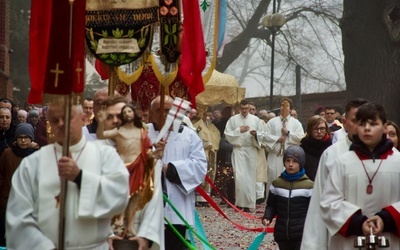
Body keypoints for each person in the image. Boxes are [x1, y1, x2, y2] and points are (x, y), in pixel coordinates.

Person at [6, 99, 130, 249]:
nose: (61, 124)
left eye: (67, 118)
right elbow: (18, 217)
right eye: (55, 120)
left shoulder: (105, 156)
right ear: (49, 124)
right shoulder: (32, 164)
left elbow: (120, 196)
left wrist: (79, 177)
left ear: (83, 119)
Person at [320, 102, 400, 249]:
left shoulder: (398, 162)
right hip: (350, 242)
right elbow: (329, 203)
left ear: (384, 127)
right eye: (362, 124)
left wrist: (386, 219)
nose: (367, 128)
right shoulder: (343, 162)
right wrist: (359, 223)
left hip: (391, 240)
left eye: (373, 124)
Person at [96, 95, 165, 250]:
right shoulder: (95, 152)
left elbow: (154, 197)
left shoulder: (145, 149)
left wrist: (147, 235)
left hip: (138, 232)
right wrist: (105, 232)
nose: (115, 121)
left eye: (118, 116)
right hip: (101, 235)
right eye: (110, 117)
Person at [301, 98, 369, 250]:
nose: (363, 126)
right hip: (342, 236)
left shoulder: (393, 158)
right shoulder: (332, 155)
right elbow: (320, 203)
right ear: (344, 122)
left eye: (368, 120)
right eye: (356, 120)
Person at [147, 95, 207, 250]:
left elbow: (199, 166)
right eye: (159, 110)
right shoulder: (142, 133)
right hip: (146, 206)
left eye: (168, 110)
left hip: (177, 205)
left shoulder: (188, 136)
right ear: (151, 113)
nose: (164, 114)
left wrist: (170, 168)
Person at [262, 146, 313, 250]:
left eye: (295, 161)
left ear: (301, 163)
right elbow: (271, 205)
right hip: (283, 234)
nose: (290, 164)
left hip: (301, 234)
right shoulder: (277, 184)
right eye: (287, 160)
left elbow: (314, 211)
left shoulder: (309, 186)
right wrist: (267, 217)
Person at [0, 123, 39, 246]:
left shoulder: (37, 155)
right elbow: (1, 175)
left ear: (31, 139)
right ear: (16, 139)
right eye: (20, 137)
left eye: (26, 137)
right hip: (7, 200)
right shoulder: (7, 154)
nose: (23, 140)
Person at [224, 99, 265, 212]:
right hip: (239, 150)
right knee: (240, 177)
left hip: (251, 150)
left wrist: (255, 134)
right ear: (239, 108)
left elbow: (262, 134)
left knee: (250, 177)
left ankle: (248, 204)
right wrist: (239, 130)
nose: (244, 111)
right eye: (242, 109)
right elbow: (227, 134)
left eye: (246, 108)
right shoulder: (233, 120)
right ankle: (239, 203)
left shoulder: (256, 120)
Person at [264, 97, 304, 200]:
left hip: (290, 158)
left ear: (290, 109)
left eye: (287, 106)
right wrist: (277, 139)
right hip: (275, 156)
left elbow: (301, 138)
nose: (284, 108)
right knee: (273, 179)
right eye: (282, 105)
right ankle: (271, 204)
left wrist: (288, 133)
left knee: (287, 181)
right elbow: (264, 136)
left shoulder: (296, 123)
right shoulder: (272, 122)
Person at [194, 109, 221, 207]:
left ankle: (205, 198)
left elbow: (216, 137)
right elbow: (195, 137)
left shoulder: (213, 127)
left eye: (210, 115)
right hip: (202, 153)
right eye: (206, 115)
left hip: (210, 154)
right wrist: (204, 144)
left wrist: (211, 144)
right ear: (202, 115)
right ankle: (198, 198)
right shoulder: (198, 124)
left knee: (208, 176)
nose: (208, 117)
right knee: (200, 175)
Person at [300, 115, 332, 181]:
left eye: (322, 128)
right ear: (309, 130)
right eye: (315, 129)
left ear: (326, 130)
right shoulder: (302, 149)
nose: (319, 132)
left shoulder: (332, 148)